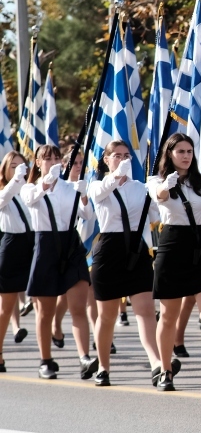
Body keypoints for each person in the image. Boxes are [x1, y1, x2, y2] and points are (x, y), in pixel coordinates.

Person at [87, 141, 167, 387]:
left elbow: (156, 215)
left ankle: (157, 363)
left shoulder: (139, 188)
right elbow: (100, 193)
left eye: (126, 156)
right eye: (117, 156)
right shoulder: (97, 185)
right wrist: (117, 175)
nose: (122, 160)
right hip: (109, 251)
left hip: (136, 250)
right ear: (106, 160)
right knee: (107, 315)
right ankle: (103, 366)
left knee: (145, 310)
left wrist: (161, 193)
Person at [148, 134, 201, 391]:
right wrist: (167, 184)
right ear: (169, 154)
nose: (186, 155)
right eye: (180, 151)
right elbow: (159, 195)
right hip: (173, 245)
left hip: (200, 246)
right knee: (168, 316)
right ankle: (165, 370)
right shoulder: (156, 179)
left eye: (189, 151)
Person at [21, 145, 94, 380]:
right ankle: (45, 360)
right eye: (47, 159)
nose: (52, 162)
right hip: (46, 245)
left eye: (56, 158)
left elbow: (86, 215)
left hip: (70, 244)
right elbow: (31, 200)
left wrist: (83, 195)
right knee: (45, 311)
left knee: (78, 306)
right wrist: (45, 183)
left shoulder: (68, 187)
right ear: (38, 162)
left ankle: (84, 357)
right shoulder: (30, 187)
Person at [0, 152, 34, 371]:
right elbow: (4, 199)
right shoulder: (4, 191)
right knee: (6, 306)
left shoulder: (30, 190)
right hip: (12, 247)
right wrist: (15, 180)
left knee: (44, 299)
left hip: (33, 244)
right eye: (13, 166)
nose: (18, 169)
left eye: (22, 166)